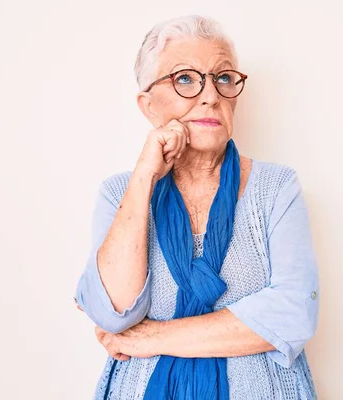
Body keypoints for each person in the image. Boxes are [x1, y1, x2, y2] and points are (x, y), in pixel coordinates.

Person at [74, 14, 320, 400]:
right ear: (149, 106)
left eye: (223, 78)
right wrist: (144, 176)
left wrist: (150, 337)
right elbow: (113, 311)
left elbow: (293, 313)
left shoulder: (275, 188)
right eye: (185, 78)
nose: (211, 95)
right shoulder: (118, 193)